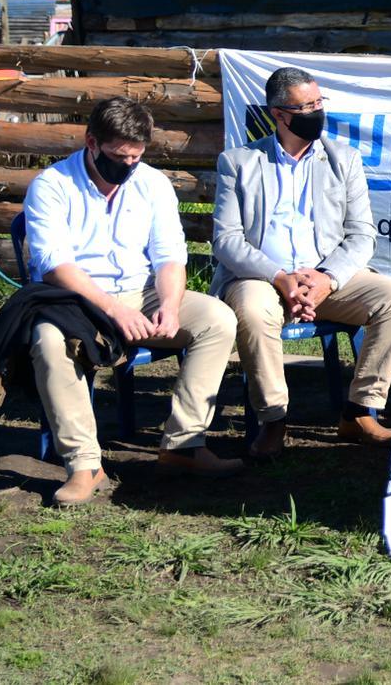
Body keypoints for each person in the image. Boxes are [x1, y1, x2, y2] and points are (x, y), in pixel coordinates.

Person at [23, 97, 242, 506]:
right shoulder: (52, 185)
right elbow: (55, 265)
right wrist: (114, 309)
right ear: (91, 142)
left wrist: (171, 304)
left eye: (135, 157)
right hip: (76, 298)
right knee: (49, 342)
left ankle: (183, 444)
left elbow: (169, 254)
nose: (127, 165)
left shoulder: (151, 182)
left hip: (141, 290)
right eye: (118, 156)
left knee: (217, 319)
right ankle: (84, 463)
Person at [212, 67, 391, 460]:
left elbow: (361, 234)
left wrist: (327, 279)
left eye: (319, 103)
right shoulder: (238, 162)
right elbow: (227, 239)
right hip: (261, 276)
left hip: (325, 275)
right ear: (279, 114)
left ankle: (359, 412)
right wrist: (279, 277)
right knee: (253, 309)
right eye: (305, 107)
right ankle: (274, 420)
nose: (316, 112)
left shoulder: (343, 159)